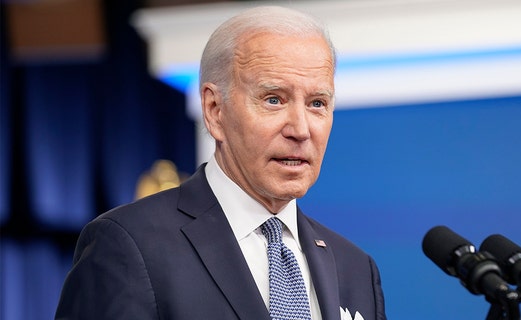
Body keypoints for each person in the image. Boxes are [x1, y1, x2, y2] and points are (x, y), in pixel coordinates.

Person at [55, 5, 386, 320]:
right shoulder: (130, 247)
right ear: (215, 110)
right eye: (274, 99)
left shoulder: (355, 269)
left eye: (317, 103)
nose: (300, 130)